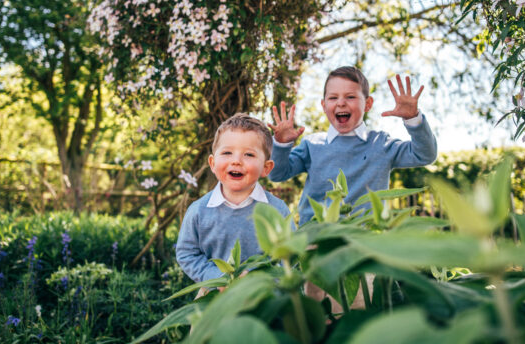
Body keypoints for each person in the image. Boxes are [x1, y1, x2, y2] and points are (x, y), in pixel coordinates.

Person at [268, 66, 437, 226]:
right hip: (315, 241)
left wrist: (413, 119)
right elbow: (276, 174)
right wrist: (282, 145)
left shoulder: (381, 144)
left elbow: (424, 155)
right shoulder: (311, 145)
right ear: (323, 105)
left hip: (364, 241)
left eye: (350, 97)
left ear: (368, 104)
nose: (341, 103)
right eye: (333, 98)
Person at [176, 113, 290, 283]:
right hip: (216, 291)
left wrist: (263, 281)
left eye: (249, 155)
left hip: (266, 294)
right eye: (227, 152)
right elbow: (187, 253)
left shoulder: (277, 210)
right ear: (213, 164)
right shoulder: (199, 211)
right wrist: (216, 278)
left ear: (266, 168)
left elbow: (289, 256)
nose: (236, 161)